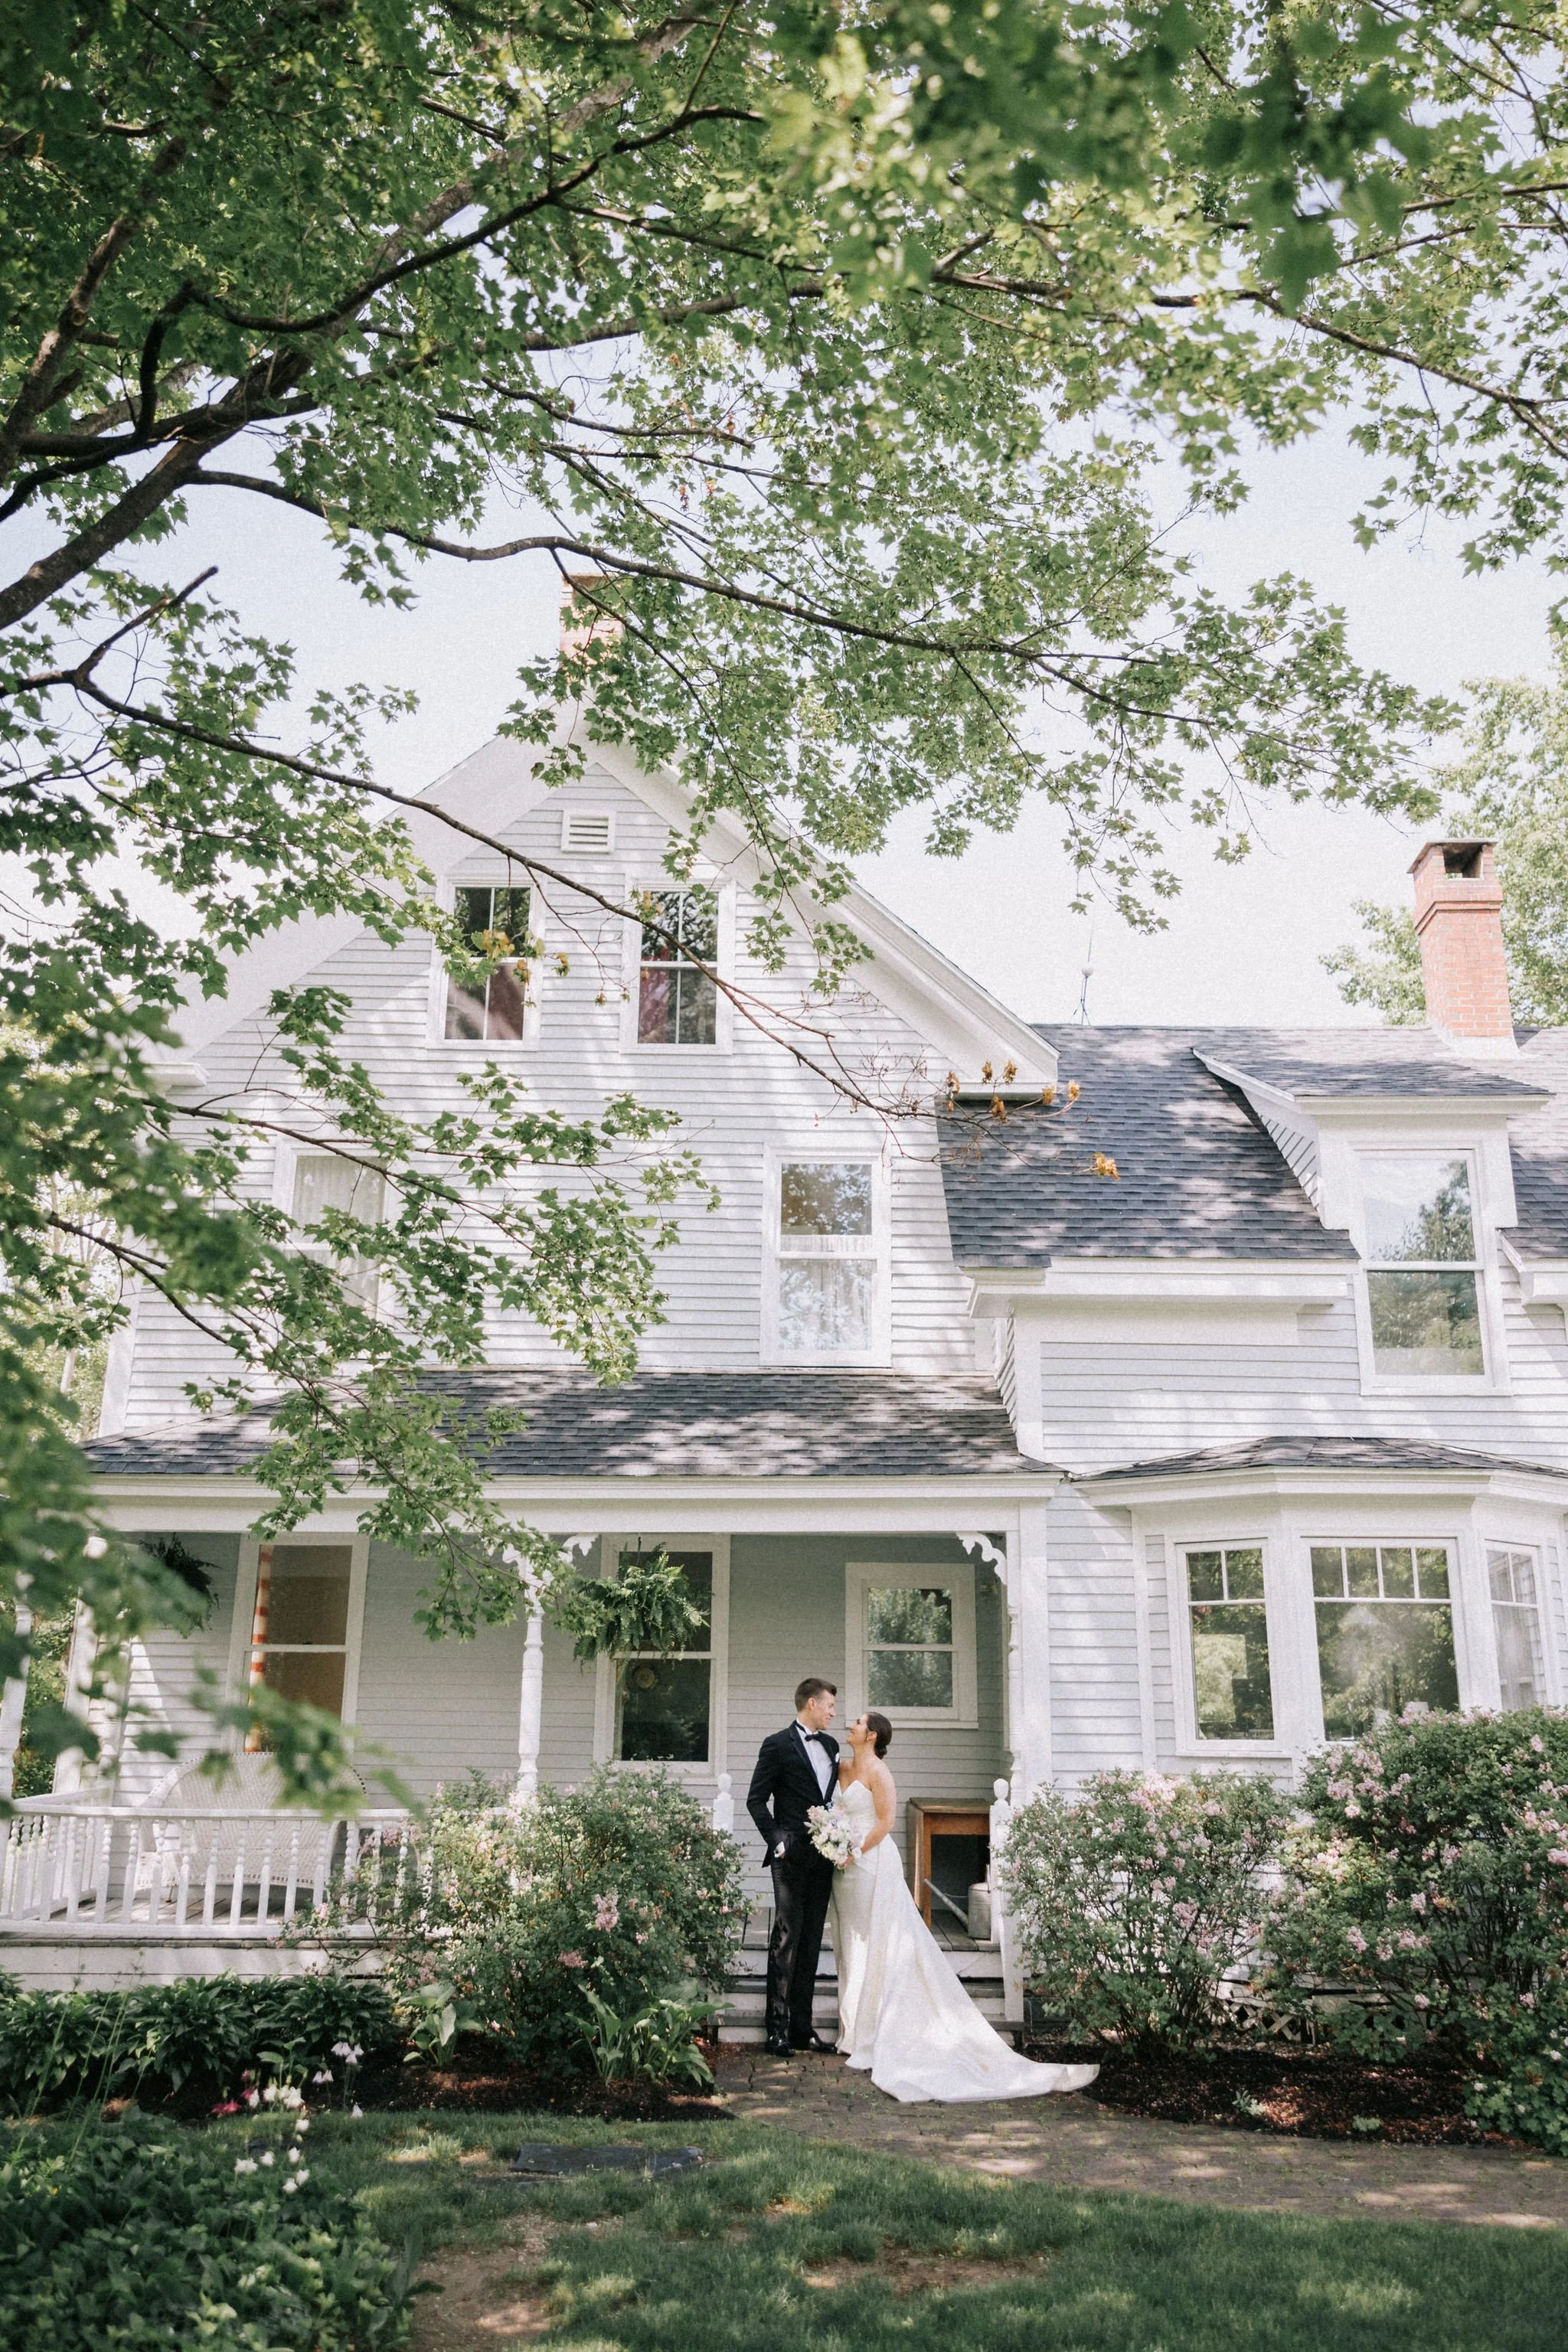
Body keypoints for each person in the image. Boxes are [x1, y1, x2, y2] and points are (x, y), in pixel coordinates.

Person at [831, 1710, 1099, 2104]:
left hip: (871, 1865)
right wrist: (834, 1841)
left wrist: (854, 1850)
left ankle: (874, 2032)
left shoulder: (880, 1773)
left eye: (856, 1722)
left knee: (880, 1946)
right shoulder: (841, 1767)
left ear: (871, 1735)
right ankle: (851, 2030)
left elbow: (885, 1821)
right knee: (851, 1946)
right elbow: (835, 1811)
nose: (849, 1725)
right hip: (844, 1872)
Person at [746, 1676, 842, 2056]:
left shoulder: (832, 1746)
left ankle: (803, 2029)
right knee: (787, 1937)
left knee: (813, 1940)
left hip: (824, 1857)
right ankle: (777, 2030)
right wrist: (777, 1839)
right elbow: (756, 1800)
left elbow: (830, 1798)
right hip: (790, 1857)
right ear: (811, 1704)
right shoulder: (776, 1745)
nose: (834, 1712)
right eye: (830, 1705)